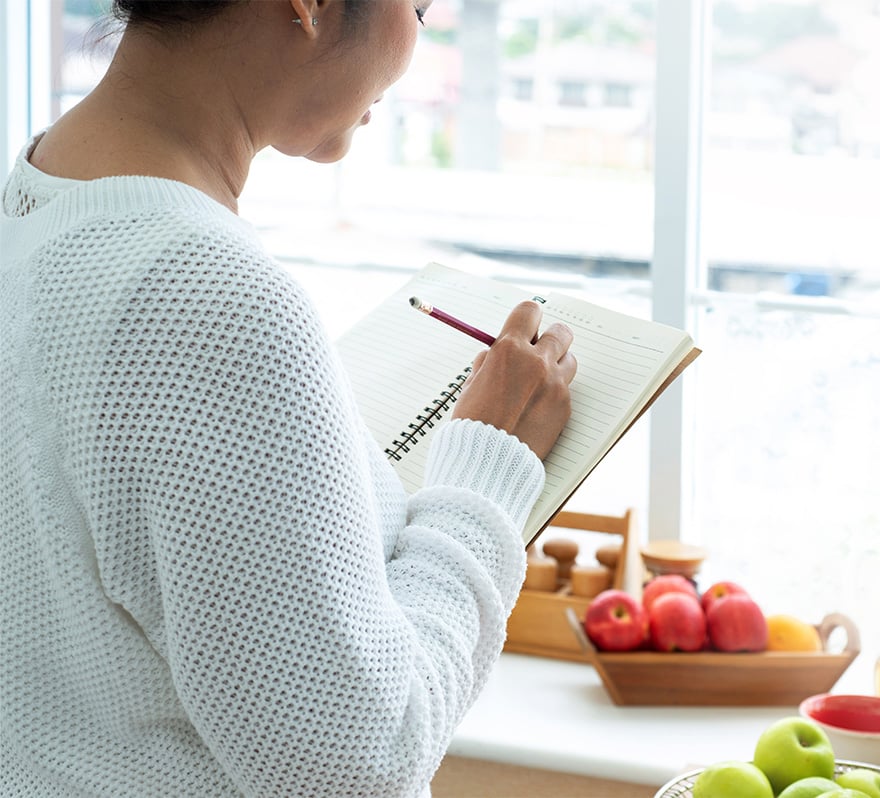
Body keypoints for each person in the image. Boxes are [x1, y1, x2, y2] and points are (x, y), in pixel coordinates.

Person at [0, 1, 578, 795]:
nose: (420, 34)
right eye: (419, 5)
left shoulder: (35, 195)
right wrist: (484, 475)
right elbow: (357, 765)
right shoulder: (203, 294)